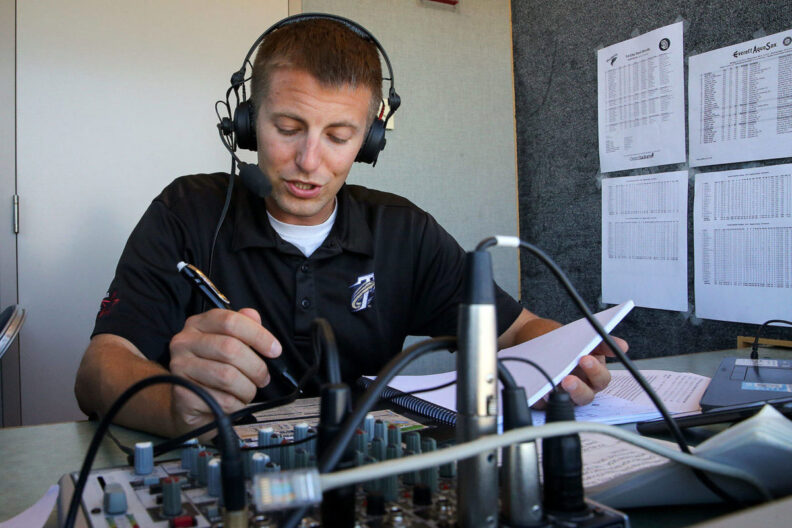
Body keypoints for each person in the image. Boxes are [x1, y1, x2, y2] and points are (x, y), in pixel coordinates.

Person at [74, 16, 625, 439]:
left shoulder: (403, 230)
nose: (309, 161)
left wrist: (565, 357)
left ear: (371, 141)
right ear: (245, 124)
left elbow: (517, 329)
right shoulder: (185, 210)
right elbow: (98, 370)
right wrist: (174, 407)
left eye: (339, 136)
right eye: (287, 127)